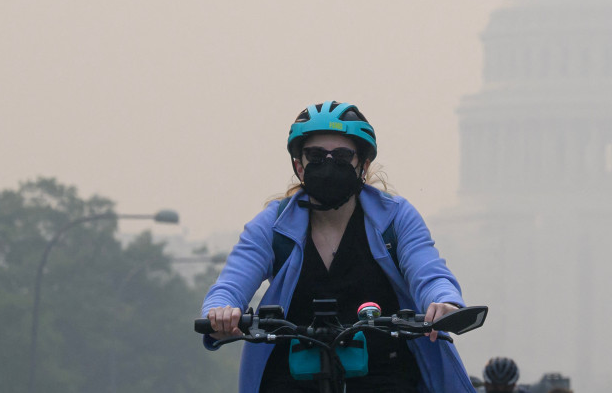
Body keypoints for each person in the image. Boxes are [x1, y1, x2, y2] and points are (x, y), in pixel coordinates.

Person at [200, 101, 474, 392]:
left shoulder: (396, 218)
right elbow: (230, 283)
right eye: (315, 156)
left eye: (342, 156)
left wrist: (444, 301)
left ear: (363, 165)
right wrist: (220, 311)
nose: (328, 165)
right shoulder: (272, 225)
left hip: (386, 377)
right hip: (290, 380)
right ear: (298, 165)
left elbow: (428, 272)